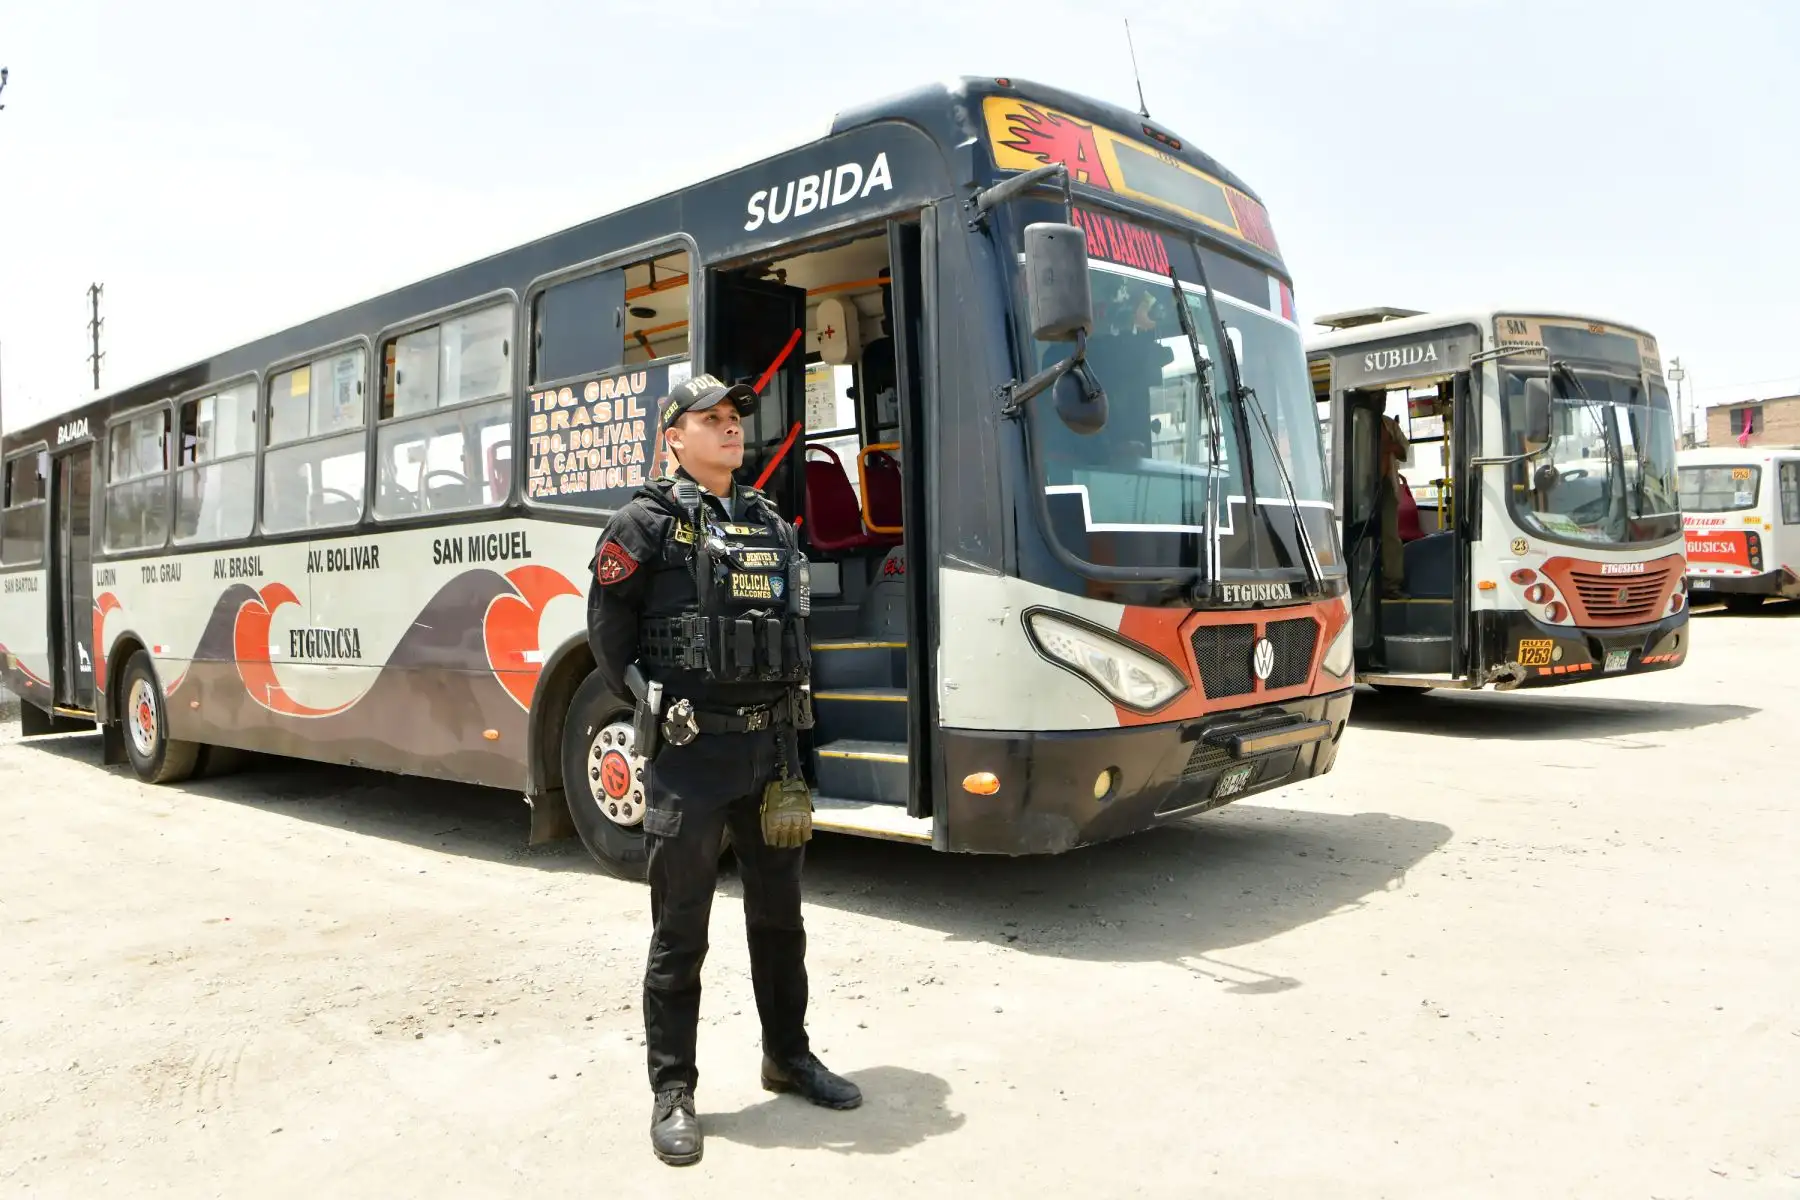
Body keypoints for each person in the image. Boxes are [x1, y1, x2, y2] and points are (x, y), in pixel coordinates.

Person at [586, 372, 862, 1168]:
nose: (731, 427)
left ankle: (789, 1056)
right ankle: (673, 1091)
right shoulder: (642, 524)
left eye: (736, 416)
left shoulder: (770, 522)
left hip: (769, 751)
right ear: (673, 436)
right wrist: (648, 702)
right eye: (710, 418)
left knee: (782, 921)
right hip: (690, 755)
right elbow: (609, 634)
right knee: (681, 932)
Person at [1377, 410, 1410, 598]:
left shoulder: (1389, 425)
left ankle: (1392, 584)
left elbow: (1404, 451)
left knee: (1390, 535)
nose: (1382, 400)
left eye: (1384, 396)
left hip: (1386, 484)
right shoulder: (1355, 417)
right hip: (1360, 485)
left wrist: (1390, 446)